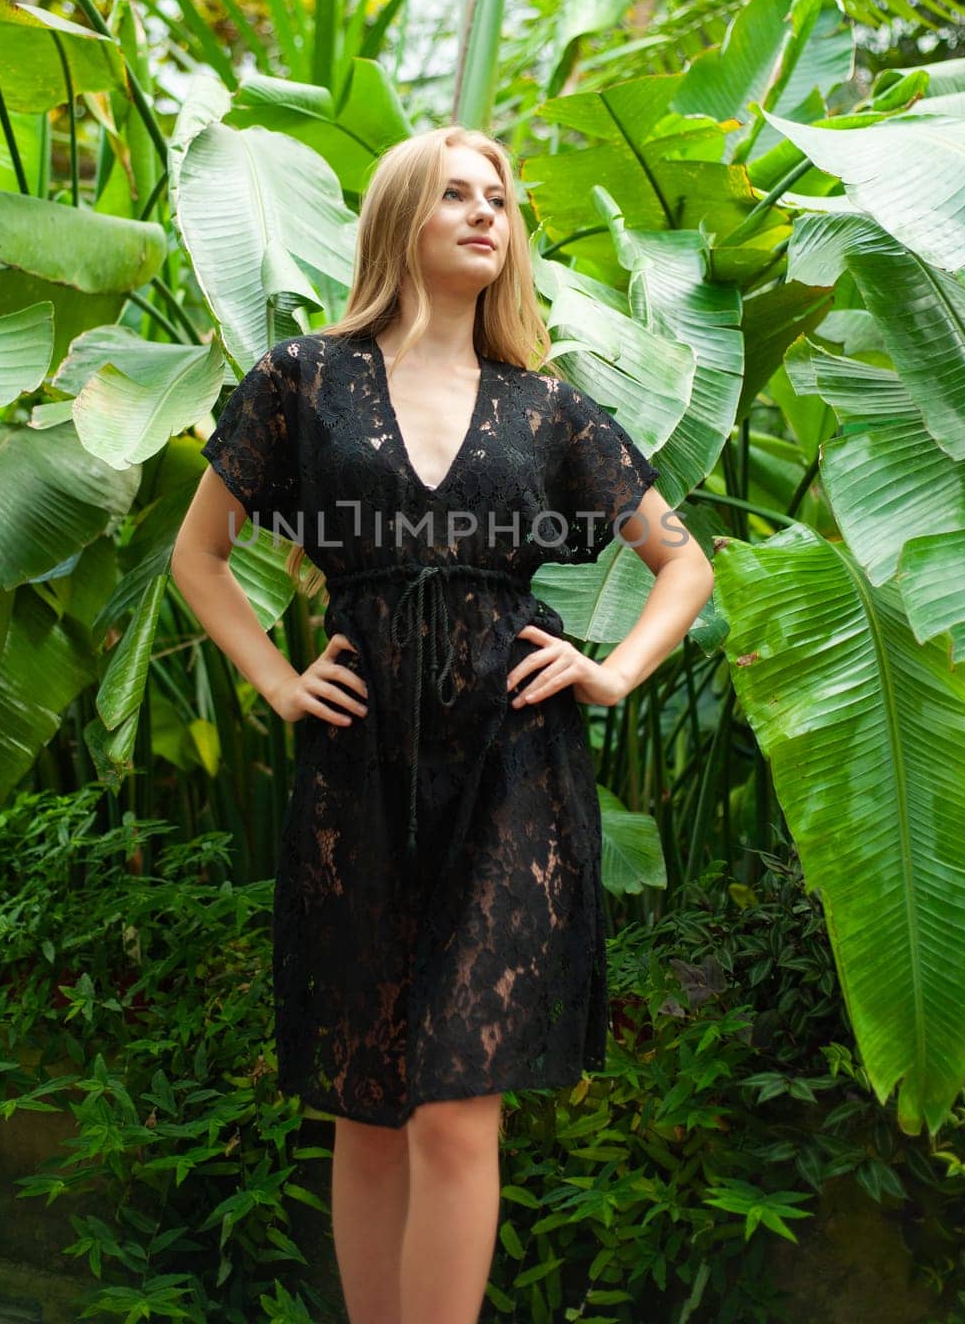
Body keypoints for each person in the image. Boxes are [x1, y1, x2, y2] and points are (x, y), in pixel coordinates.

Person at [171, 123, 714, 1324]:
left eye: (502, 200)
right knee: (367, 1108)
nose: (487, 214)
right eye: (456, 194)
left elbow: (684, 567)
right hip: (355, 768)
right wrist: (275, 679)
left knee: (458, 1108)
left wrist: (612, 671)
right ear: (400, 218)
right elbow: (198, 556)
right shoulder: (299, 379)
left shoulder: (550, 409)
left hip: (511, 772)